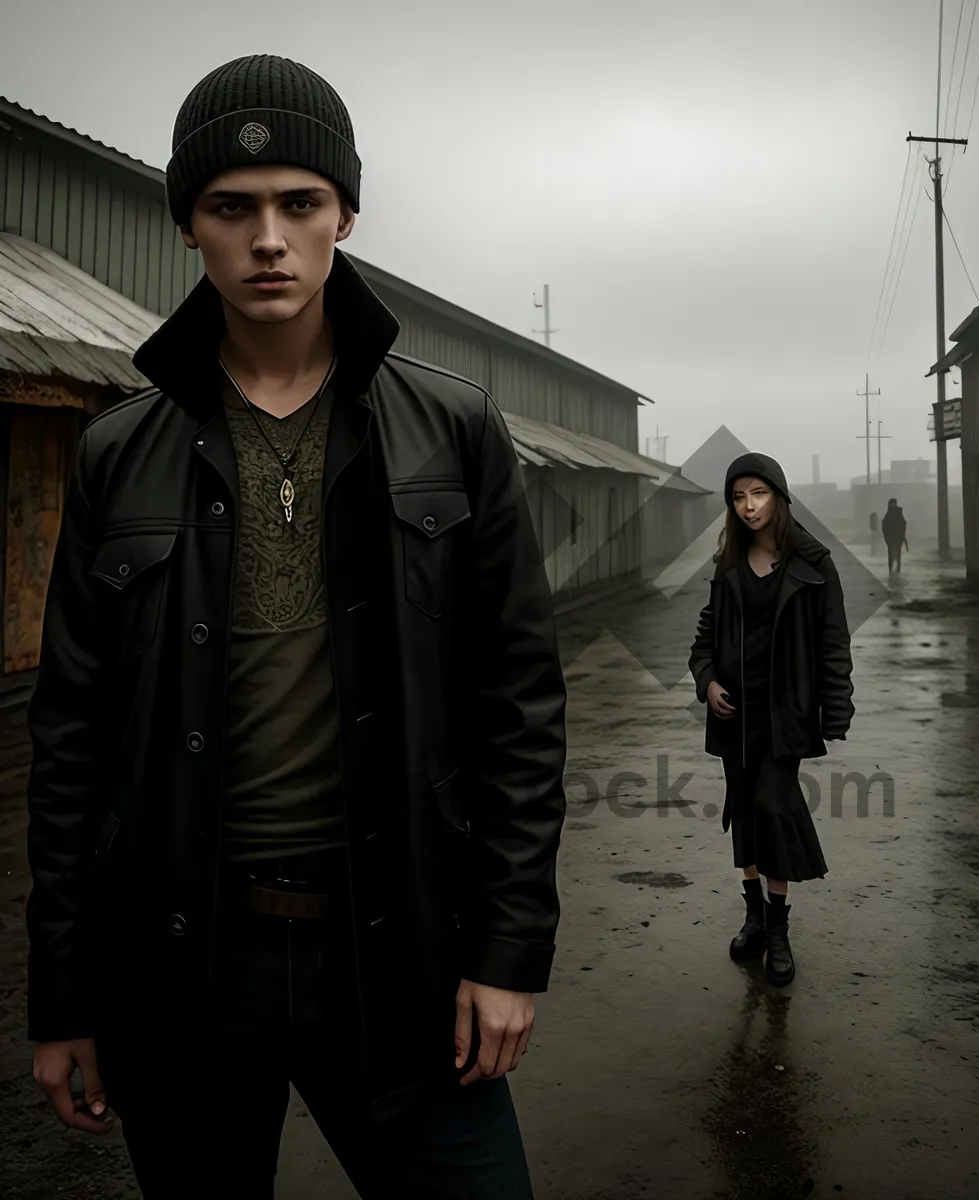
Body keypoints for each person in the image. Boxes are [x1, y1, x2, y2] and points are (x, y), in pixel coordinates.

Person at [25, 55, 567, 1198]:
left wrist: (506, 953)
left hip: (401, 950)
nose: (267, 238)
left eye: (299, 204)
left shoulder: (454, 430)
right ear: (189, 226)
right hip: (184, 965)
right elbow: (71, 741)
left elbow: (517, 707)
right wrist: (65, 998)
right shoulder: (120, 451)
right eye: (232, 207)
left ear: (345, 216)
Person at [688, 454, 854, 987]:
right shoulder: (729, 562)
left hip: (786, 714)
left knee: (770, 807)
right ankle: (754, 917)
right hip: (735, 716)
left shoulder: (813, 563)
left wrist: (836, 707)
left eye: (757, 493)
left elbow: (834, 642)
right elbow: (704, 639)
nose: (749, 505)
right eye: (738, 497)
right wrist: (707, 680)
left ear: (779, 497)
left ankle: (778, 929)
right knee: (743, 810)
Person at [881, 497, 909, 575]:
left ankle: (893, 572)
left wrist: (901, 537)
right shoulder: (897, 512)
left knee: (893, 556)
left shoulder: (895, 512)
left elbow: (885, 526)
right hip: (894, 539)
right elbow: (903, 525)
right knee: (894, 556)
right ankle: (895, 572)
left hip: (894, 539)